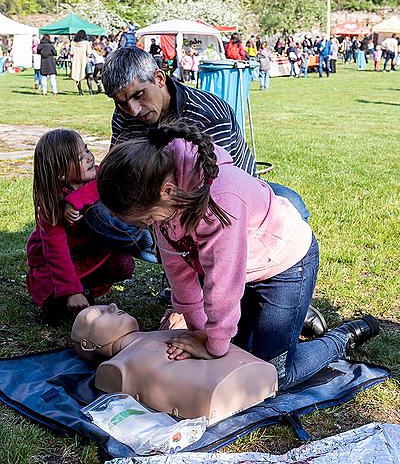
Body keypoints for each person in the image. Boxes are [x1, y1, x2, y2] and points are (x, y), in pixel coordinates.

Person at [96, 122, 380, 390]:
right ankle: (289, 315)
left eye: (146, 219)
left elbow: (223, 281)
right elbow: (177, 269)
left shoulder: (221, 200)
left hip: (285, 263)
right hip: (246, 269)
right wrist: (198, 331)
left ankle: (342, 337)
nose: (148, 226)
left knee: (270, 374)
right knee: (239, 352)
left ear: (166, 192)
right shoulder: (161, 195)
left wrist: (213, 345)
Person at [68, 47, 324, 337]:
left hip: (224, 200)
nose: (133, 111)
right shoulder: (125, 115)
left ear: (159, 78)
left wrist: (196, 318)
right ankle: (197, 269)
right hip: (164, 205)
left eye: (139, 96)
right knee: (102, 214)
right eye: (122, 103)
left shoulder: (208, 112)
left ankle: (281, 292)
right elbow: (123, 180)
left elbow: (229, 187)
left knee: (289, 203)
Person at [72, 303, 277, 422]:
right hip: (232, 391)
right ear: (88, 344)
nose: (112, 306)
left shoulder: (170, 330)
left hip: (250, 379)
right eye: (97, 314)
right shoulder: (114, 368)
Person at [26, 129, 134, 323]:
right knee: (56, 311)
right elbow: (56, 252)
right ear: (60, 173)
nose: (89, 157)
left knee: (123, 264)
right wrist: (71, 290)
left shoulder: (98, 176)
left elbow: (109, 180)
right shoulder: (52, 205)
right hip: (58, 264)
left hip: (88, 254)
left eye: (87, 150)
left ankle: (83, 291)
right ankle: (67, 297)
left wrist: (76, 199)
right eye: (79, 157)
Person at [70, 30, 93, 95]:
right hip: (84, 61)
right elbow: (89, 52)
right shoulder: (86, 43)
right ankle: (90, 91)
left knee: (77, 76)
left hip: (76, 61)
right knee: (88, 77)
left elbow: (71, 53)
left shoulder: (73, 43)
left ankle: (80, 91)